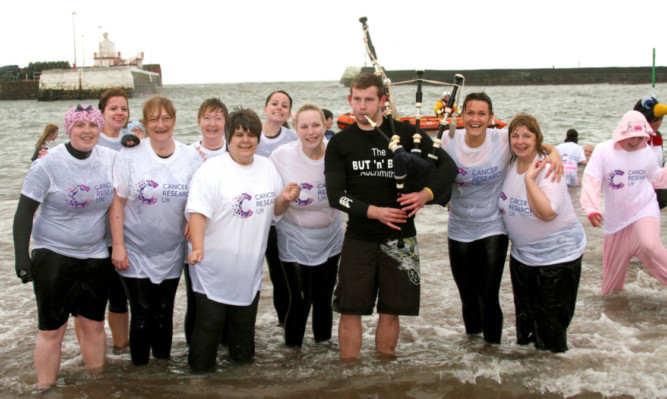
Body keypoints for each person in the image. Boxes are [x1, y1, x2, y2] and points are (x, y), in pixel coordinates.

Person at [324, 72, 458, 359]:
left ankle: (385, 375)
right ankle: (349, 375)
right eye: (356, 100)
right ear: (350, 100)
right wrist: (374, 212)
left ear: (382, 102)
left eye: (369, 100)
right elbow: (336, 196)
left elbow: (449, 169)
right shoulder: (340, 143)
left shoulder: (408, 134)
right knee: (350, 309)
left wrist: (425, 195)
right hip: (359, 236)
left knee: (391, 310)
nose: (362, 107)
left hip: (401, 237)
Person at [441, 92, 563, 344]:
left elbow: (533, 141)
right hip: (459, 226)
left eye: (481, 114)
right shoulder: (448, 139)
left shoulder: (502, 138)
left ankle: (492, 350)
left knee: (488, 293)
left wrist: (555, 154)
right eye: (471, 113)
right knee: (467, 295)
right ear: (462, 116)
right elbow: (433, 170)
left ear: (491, 118)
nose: (476, 119)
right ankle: (473, 349)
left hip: (493, 226)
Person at [185, 108, 300, 371]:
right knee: (209, 326)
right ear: (228, 138)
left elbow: (274, 212)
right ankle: (198, 383)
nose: (245, 140)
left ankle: (242, 384)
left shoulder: (266, 166)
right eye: (239, 135)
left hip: (248, 270)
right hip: (212, 265)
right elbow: (197, 212)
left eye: (251, 135)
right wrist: (198, 248)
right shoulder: (212, 170)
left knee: (244, 334)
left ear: (258, 138)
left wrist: (284, 198)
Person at [13, 104, 116, 389]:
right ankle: (45, 388)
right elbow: (23, 214)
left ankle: (97, 383)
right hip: (54, 254)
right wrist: (22, 256)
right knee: (52, 329)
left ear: (100, 128)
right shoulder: (47, 164)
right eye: (79, 125)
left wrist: (133, 139)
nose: (87, 131)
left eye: (93, 125)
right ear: (68, 129)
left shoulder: (110, 158)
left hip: (95, 254)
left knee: (93, 324)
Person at [109, 95, 203, 365]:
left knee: (164, 312)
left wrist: (191, 218)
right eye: (153, 119)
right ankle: (139, 375)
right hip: (135, 247)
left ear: (174, 120)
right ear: (145, 123)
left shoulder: (190, 157)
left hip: (172, 248)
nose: (160, 124)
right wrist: (118, 245)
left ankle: (161, 374)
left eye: (165, 118)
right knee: (141, 312)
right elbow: (117, 202)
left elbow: (199, 199)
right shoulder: (130, 154)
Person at [498, 113, 585, 353]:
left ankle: (555, 385)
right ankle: (528, 382)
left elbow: (547, 212)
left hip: (558, 258)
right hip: (523, 258)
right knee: (525, 332)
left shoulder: (547, 166)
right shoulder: (510, 162)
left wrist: (529, 180)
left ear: (537, 138)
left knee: (550, 330)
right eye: (515, 135)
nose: (520, 141)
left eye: (527, 135)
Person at [269, 103, 344, 348]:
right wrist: (284, 198)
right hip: (294, 237)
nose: (310, 132)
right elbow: (275, 210)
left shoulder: (337, 152)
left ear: (326, 125)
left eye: (316, 125)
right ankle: (293, 358)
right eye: (304, 126)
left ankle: (323, 358)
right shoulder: (281, 157)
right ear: (296, 128)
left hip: (331, 237)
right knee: (300, 300)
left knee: (323, 299)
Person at [581, 110, 667, 294]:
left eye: (639, 137)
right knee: (610, 290)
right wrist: (592, 209)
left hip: (644, 209)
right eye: (632, 136)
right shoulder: (603, 151)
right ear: (622, 131)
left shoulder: (646, 153)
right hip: (616, 223)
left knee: (650, 244)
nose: (635, 141)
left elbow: (657, 178)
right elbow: (591, 179)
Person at [183, 97, 229, 345]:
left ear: (226, 122)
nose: (212, 124)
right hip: (196, 235)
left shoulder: (234, 151)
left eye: (218, 118)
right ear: (199, 121)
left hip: (227, 236)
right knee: (197, 298)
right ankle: (194, 348)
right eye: (207, 117)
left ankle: (224, 345)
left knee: (226, 295)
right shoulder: (187, 154)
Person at [255, 90, 297, 326]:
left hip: (281, 218)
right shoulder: (251, 135)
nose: (278, 108)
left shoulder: (293, 138)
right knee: (249, 274)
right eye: (274, 103)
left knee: (281, 277)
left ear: (289, 112)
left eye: (284, 105)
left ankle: (284, 327)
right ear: (265, 108)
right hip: (253, 216)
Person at [633, 95, 667, 208]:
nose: (658, 123)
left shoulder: (658, 136)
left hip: (655, 188)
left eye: (660, 119)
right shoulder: (632, 138)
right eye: (654, 120)